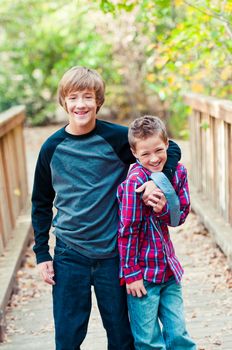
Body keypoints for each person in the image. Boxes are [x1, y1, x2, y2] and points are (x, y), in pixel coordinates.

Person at [31, 66, 181, 350]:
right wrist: (42, 253)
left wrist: (158, 182)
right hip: (69, 253)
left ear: (98, 101)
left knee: (122, 335)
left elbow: (169, 149)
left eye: (87, 97)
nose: (81, 104)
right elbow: (40, 203)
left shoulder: (116, 139)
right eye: (73, 97)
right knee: (67, 337)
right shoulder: (51, 148)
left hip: (113, 254)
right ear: (64, 102)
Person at [117, 115, 196, 350]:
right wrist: (131, 273)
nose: (154, 159)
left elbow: (179, 217)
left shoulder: (178, 172)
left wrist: (163, 209)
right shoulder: (134, 183)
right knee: (149, 341)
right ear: (134, 153)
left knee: (179, 335)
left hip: (169, 270)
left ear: (167, 145)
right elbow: (127, 231)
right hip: (143, 276)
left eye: (158, 150)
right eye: (145, 154)